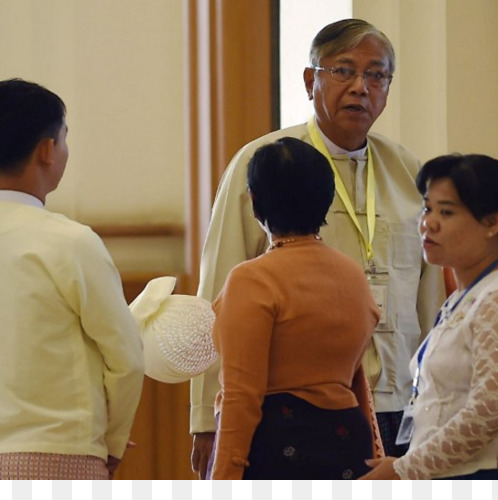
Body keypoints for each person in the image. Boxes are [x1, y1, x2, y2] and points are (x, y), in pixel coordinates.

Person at [190, 18, 445, 478]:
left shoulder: (409, 170)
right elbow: (219, 296)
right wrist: (206, 417)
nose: (360, 88)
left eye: (376, 75)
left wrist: (436, 400)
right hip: (290, 410)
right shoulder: (264, 160)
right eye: (343, 71)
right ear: (311, 80)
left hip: (403, 400)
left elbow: (431, 298)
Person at [0, 79, 144, 480]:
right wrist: (113, 440)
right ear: (47, 149)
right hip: (59, 456)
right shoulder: (70, 242)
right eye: (64, 138)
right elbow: (126, 360)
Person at [361, 154, 498, 480]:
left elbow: (487, 413)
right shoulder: (465, 296)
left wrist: (405, 470)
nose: (428, 223)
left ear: (492, 222)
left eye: (446, 212)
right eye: (426, 208)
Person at [210, 137, 380, 479]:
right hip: (348, 444)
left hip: (281, 447)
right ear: (326, 201)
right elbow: (357, 380)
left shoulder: (252, 279)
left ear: (255, 204)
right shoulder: (353, 275)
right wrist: (377, 448)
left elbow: (241, 397)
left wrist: (222, 479)